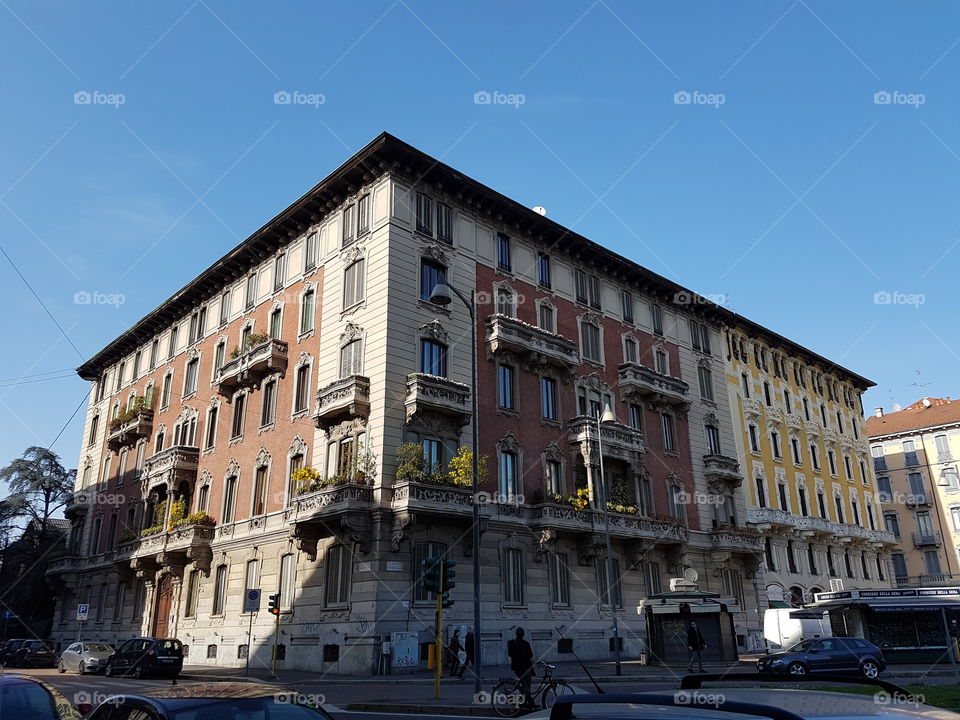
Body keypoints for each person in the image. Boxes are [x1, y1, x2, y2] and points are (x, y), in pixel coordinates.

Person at [507, 627, 535, 709]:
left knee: (523, 683)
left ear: (516, 634)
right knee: (527, 683)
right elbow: (530, 655)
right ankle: (529, 701)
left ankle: (524, 701)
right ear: (523, 634)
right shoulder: (525, 643)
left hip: (516, 667)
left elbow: (510, 654)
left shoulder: (512, 643)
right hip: (524, 667)